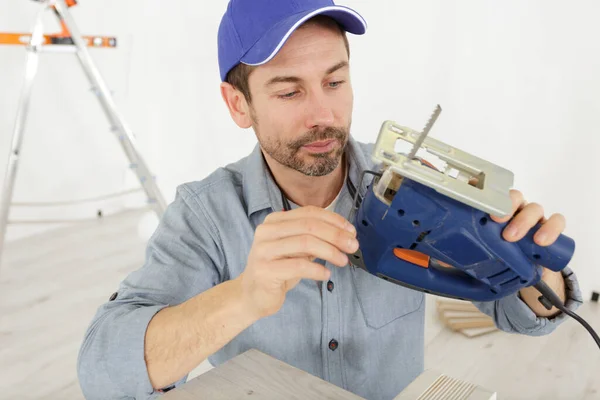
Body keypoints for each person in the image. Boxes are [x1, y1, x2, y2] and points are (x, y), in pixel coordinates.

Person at [76, 1, 583, 399]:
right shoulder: (205, 214)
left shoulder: (412, 188)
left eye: (335, 81)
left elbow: (526, 318)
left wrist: (532, 262)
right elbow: (104, 368)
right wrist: (245, 295)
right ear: (239, 105)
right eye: (289, 92)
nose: (323, 113)